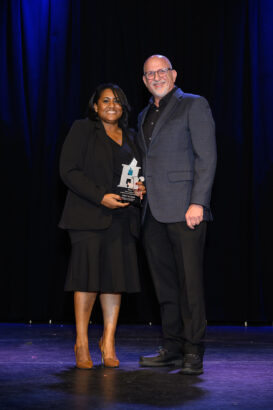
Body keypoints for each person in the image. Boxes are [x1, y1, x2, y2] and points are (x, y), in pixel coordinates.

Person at [138, 55, 217, 375]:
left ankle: (193, 350)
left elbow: (207, 156)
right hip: (152, 211)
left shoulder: (193, 105)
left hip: (186, 210)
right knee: (164, 285)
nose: (156, 77)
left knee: (190, 285)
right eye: (149, 74)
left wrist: (198, 202)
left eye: (161, 71)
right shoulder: (144, 114)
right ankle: (171, 347)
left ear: (173, 74)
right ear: (144, 80)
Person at [59, 83, 145, 369]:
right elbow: (68, 170)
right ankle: (81, 342)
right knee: (87, 279)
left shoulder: (133, 138)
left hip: (122, 219)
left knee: (114, 280)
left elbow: (133, 177)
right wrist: (100, 197)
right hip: (87, 216)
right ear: (95, 106)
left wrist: (138, 189)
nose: (112, 105)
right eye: (105, 100)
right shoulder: (83, 129)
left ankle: (108, 341)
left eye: (117, 101)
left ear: (123, 108)